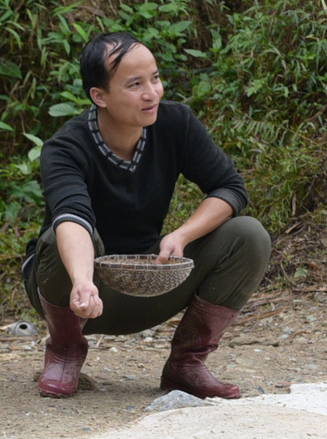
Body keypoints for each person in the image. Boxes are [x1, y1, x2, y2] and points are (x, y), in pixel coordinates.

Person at [22, 30, 270, 400]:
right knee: (61, 239)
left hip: (147, 281)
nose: (152, 92)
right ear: (99, 96)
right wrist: (83, 280)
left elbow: (230, 188)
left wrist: (182, 235)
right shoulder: (65, 147)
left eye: (155, 78)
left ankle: (187, 364)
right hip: (77, 294)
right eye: (135, 84)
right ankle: (65, 349)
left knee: (249, 235)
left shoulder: (176, 125)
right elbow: (72, 217)